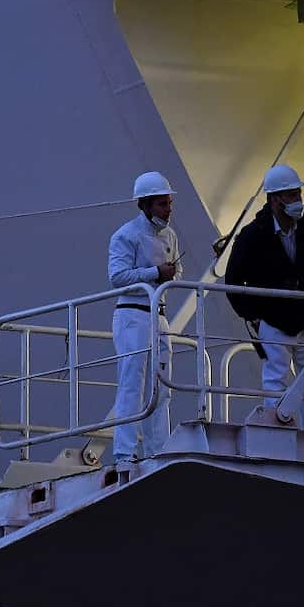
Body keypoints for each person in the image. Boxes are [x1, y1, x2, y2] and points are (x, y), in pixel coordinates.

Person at [224, 164, 304, 430]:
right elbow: (233, 280)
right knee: (276, 382)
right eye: (291, 195)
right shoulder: (253, 235)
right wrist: (255, 317)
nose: (297, 201)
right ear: (274, 200)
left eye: (298, 194)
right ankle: (278, 436)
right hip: (273, 321)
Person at [107, 171, 181, 463]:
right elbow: (117, 277)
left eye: (169, 204)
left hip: (159, 316)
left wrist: (170, 274)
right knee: (131, 384)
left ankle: (157, 449)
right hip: (132, 315)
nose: (168, 210)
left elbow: (177, 272)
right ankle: (124, 451)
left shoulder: (171, 236)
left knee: (162, 386)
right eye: (162, 204)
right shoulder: (126, 235)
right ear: (145, 205)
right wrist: (155, 273)